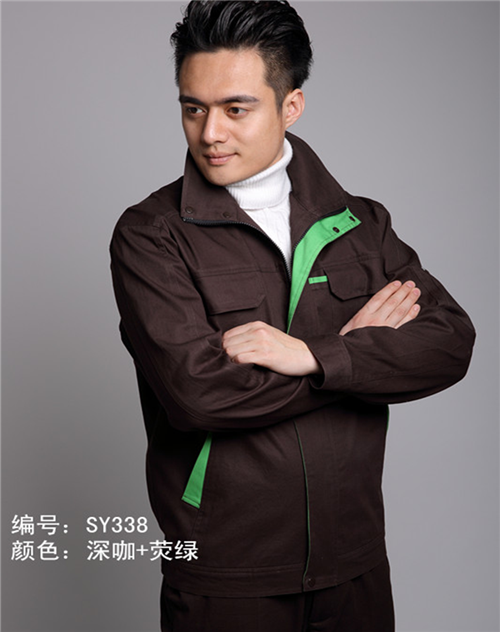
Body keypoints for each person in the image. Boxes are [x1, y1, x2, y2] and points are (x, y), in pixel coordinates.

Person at [110, 2, 475, 630]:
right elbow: (199, 395)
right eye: (192, 108)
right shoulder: (152, 235)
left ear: (291, 106)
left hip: (356, 563)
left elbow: (449, 343)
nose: (210, 132)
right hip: (227, 576)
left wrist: (312, 355)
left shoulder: (361, 223)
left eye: (236, 109)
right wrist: (355, 359)